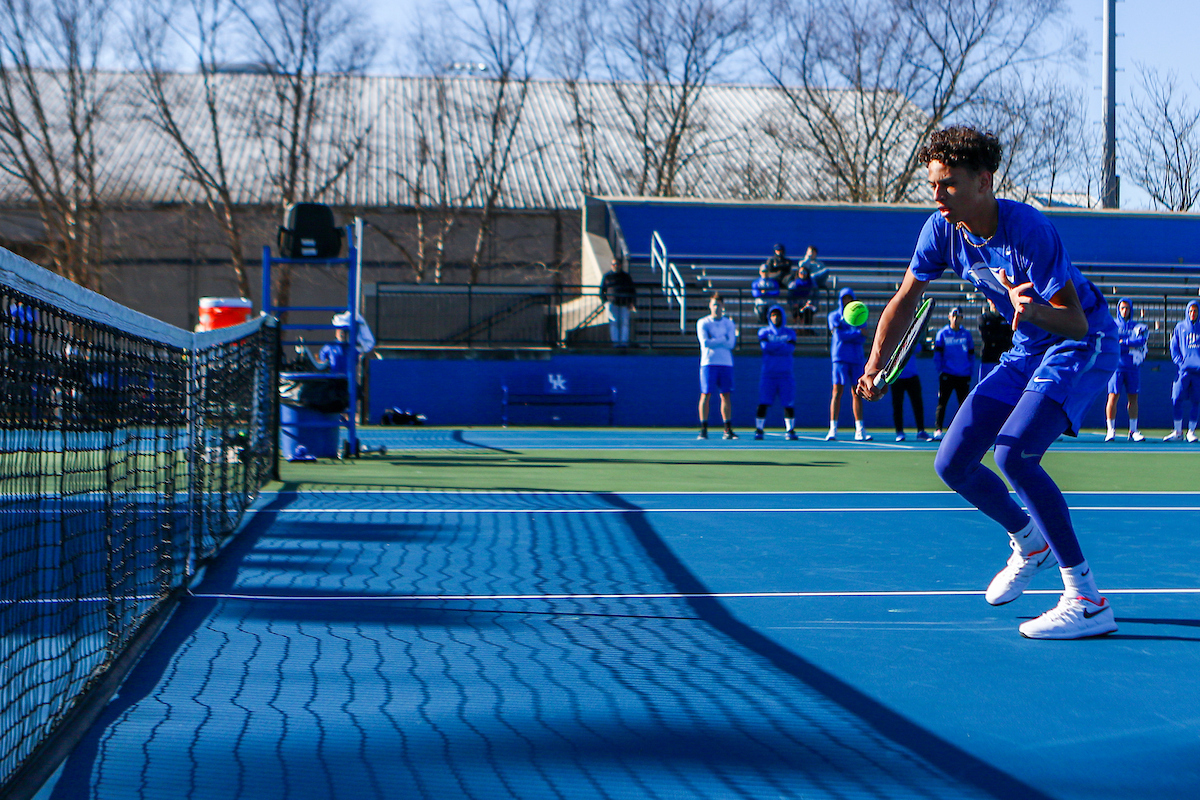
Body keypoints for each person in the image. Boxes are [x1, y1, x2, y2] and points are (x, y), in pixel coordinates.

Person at [856, 125, 1120, 639]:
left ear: (984, 181)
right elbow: (905, 298)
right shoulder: (941, 230)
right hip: (1025, 350)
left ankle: (1087, 598)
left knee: (1014, 453)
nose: (937, 195)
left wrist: (1034, 309)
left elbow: (1076, 323)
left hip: (1079, 343)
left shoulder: (1029, 231)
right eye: (933, 184)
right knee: (951, 462)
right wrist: (873, 366)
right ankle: (1029, 541)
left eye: (948, 184)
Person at [827, 287, 871, 441]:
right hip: (839, 358)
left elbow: (864, 337)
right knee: (837, 392)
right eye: (844, 298)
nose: (847, 301)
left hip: (856, 358)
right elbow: (839, 336)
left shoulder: (859, 315)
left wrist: (856, 335)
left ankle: (860, 430)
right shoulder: (834, 316)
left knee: (857, 393)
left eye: (849, 298)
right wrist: (857, 333)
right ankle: (833, 429)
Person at [1105, 297, 1148, 442]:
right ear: (1118, 309)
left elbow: (1141, 341)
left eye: (1127, 308)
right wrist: (1127, 344)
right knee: (1113, 397)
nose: (1124, 311)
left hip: (1132, 367)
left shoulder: (1137, 326)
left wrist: (1125, 342)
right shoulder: (1112, 325)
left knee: (1133, 398)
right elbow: (1112, 342)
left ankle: (1133, 431)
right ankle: (1110, 430)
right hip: (1116, 366)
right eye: (1122, 308)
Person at [697, 292, 738, 440]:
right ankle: (703, 429)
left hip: (726, 363)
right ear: (710, 305)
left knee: (725, 396)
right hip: (708, 363)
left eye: (719, 305)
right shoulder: (703, 322)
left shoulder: (729, 323)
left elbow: (731, 343)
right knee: (705, 395)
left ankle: (727, 430)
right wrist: (722, 339)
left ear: (723, 306)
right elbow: (705, 343)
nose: (716, 308)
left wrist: (716, 340)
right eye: (714, 305)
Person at [755, 305, 798, 440]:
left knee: (788, 402)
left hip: (785, 374)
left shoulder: (790, 333)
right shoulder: (764, 332)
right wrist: (781, 345)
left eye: (778, 315)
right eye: (773, 315)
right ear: (769, 317)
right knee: (764, 402)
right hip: (768, 374)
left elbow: (789, 349)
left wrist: (775, 347)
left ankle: (790, 430)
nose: (775, 318)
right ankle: (759, 429)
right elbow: (765, 347)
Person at [932, 306, 974, 439]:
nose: (955, 319)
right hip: (947, 374)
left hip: (963, 375)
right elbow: (937, 354)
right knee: (942, 402)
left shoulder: (966, 334)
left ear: (962, 318)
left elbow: (971, 354)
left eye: (958, 316)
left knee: (964, 404)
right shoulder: (942, 333)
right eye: (953, 316)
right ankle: (938, 429)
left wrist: (969, 370)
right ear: (949, 317)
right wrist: (941, 370)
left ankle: (964, 430)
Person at [1164, 299, 1200, 442]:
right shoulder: (1180, 327)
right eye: (1190, 311)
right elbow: (1174, 347)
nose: (1192, 313)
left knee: (1196, 401)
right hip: (1183, 371)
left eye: (1195, 311)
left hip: (1198, 373)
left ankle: (1191, 432)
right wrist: (1180, 363)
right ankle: (1178, 431)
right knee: (1176, 398)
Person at [891, 337, 931, 442]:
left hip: (912, 376)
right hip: (896, 377)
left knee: (918, 404)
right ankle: (899, 432)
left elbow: (918, 348)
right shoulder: (894, 338)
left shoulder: (911, 338)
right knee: (897, 405)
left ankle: (921, 431)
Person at [599, 258, 637, 346]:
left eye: (617, 264)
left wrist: (632, 302)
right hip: (612, 304)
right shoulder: (607, 276)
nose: (615, 266)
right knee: (614, 323)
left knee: (625, 324)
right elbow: (602, 291)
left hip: (624, 304)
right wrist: (605, 302)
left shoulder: (626, 277)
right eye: (613, 264)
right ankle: (616, 343)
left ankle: (624, 343)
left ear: (620, 265)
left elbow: (632, 290)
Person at [977, 300, 1011, 381]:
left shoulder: (1005, 319)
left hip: (1002, 358)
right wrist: (1001, 338)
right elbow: (986, 337)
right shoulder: (983, 318)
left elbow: (1010, 337)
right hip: (988, 358)